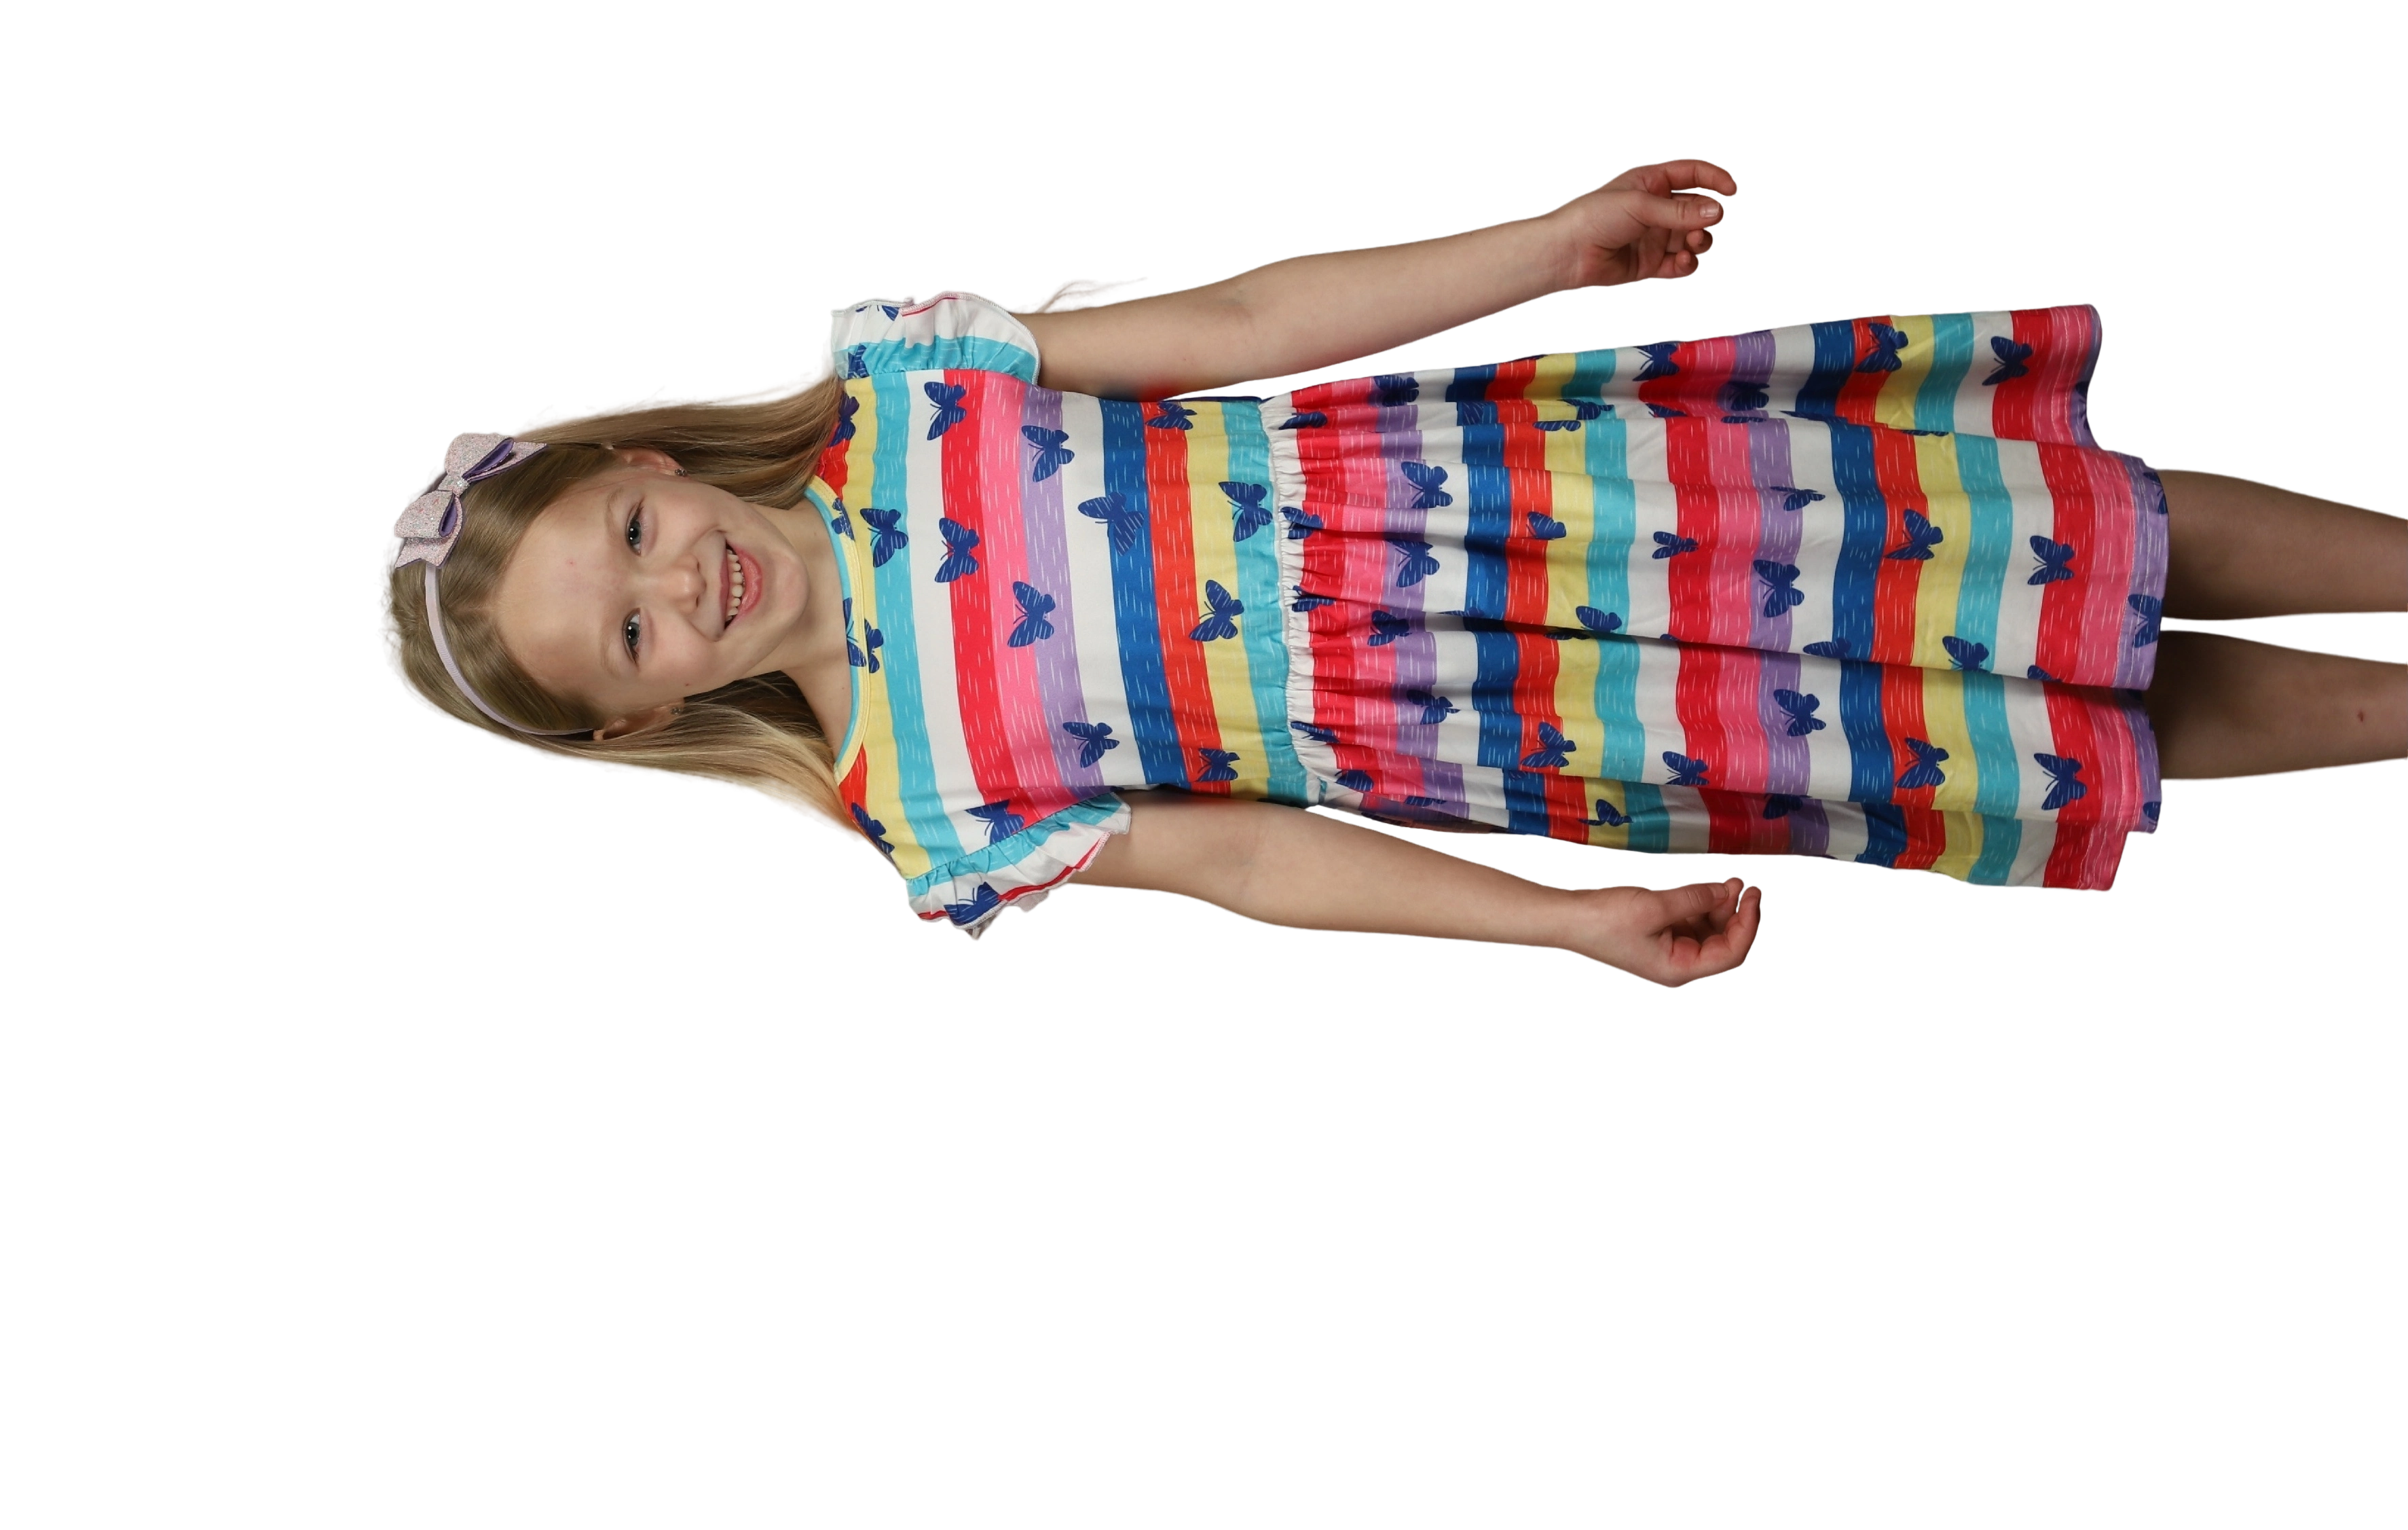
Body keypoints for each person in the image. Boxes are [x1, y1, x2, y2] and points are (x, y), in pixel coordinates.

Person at [371, 156, 2401, 991]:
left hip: (1572, 493)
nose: (676, 589)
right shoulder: (937, 817)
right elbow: (1257, 865)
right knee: (2020, 716)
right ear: (647, 719)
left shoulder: (905, 379)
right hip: (1561, 720)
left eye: (627, 536)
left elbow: (1247, 323)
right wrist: (1557, 925)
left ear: (640, 462)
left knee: (2055, 535)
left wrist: (1548, 246)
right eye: (624, 638)